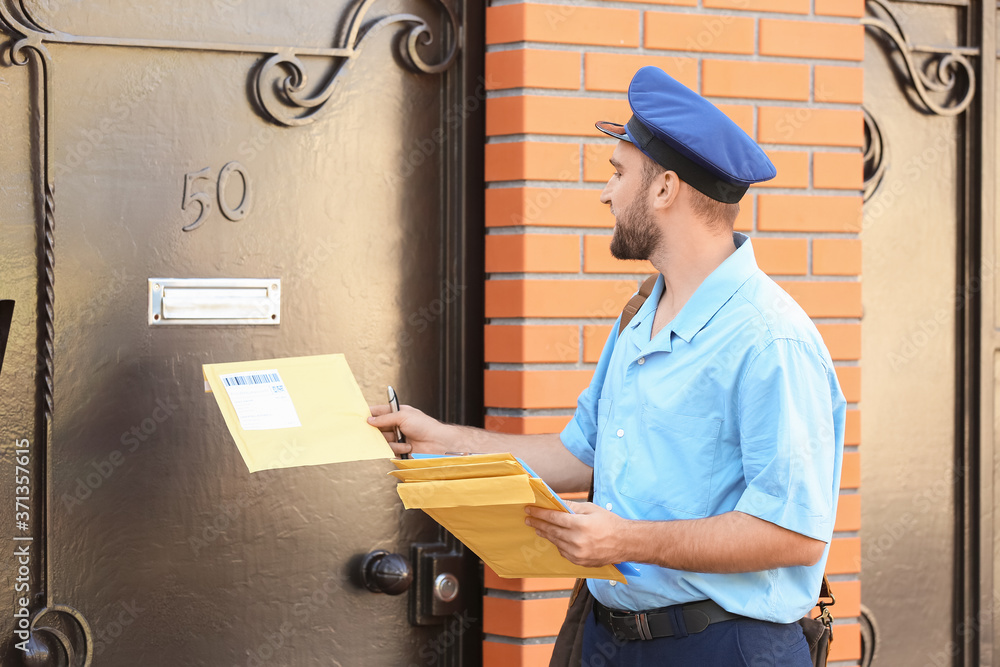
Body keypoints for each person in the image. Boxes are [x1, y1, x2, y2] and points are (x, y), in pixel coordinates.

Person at [369, 66, 845, 666]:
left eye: (619, 174)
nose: (606, 193)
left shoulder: (771, 340)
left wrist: (624, 540)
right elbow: (579, 454)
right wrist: (443, 440)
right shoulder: (640, 314)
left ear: (665, 189)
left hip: (725, 647)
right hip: (610, 639)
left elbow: (794, 535)